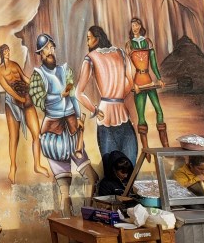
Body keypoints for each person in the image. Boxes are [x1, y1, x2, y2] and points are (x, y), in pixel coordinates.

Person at [29, 33, 99, 215]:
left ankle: (88, 215)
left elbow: (73, 94)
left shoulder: (65, 70)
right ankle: (68, 230)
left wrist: (78, 117)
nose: (50, 51)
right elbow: (39, 101)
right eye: (46, 49)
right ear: (40, 53)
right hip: (54, 133)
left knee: (92, 178)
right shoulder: (38, 76)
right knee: (65, 191)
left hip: (72, 129)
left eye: (52, 47)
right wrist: (58, 96)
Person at [76, 25, 138, 166]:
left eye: (89, 38)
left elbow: (78, 93)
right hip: (123, 115)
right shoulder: (121, 53)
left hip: (105, 116)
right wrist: (118, 96)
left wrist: (95, 110)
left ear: (97, 39)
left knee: (111, 169)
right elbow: (129, 81)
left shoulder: (90, 58)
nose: (87, 42)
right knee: (130, 166)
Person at [0, 44, 49, 183]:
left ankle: (37, 165)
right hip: (12, 102)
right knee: (14, 136)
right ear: (1, 53)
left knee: (36, 133)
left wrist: (36, 85)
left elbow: (24, 78)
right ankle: (13, 168)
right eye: (4, 50)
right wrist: (19, 99)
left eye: (8, 50)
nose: (7, 52)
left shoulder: (15, 64)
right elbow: (7, 88)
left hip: (26, 97)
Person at [127, 17, 169, 154]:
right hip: (138, 83)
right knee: (141, 116)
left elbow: (153, 63)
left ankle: (166, 145)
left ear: (140, 26)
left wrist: (159, 78)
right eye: (133, 25)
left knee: (159, 110)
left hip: (149, 81)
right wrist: (133, 84)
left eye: (137, 24)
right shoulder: (129, 45)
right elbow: (128, 68)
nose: (135, 27)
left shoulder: (148, 42)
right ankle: (146, 149)